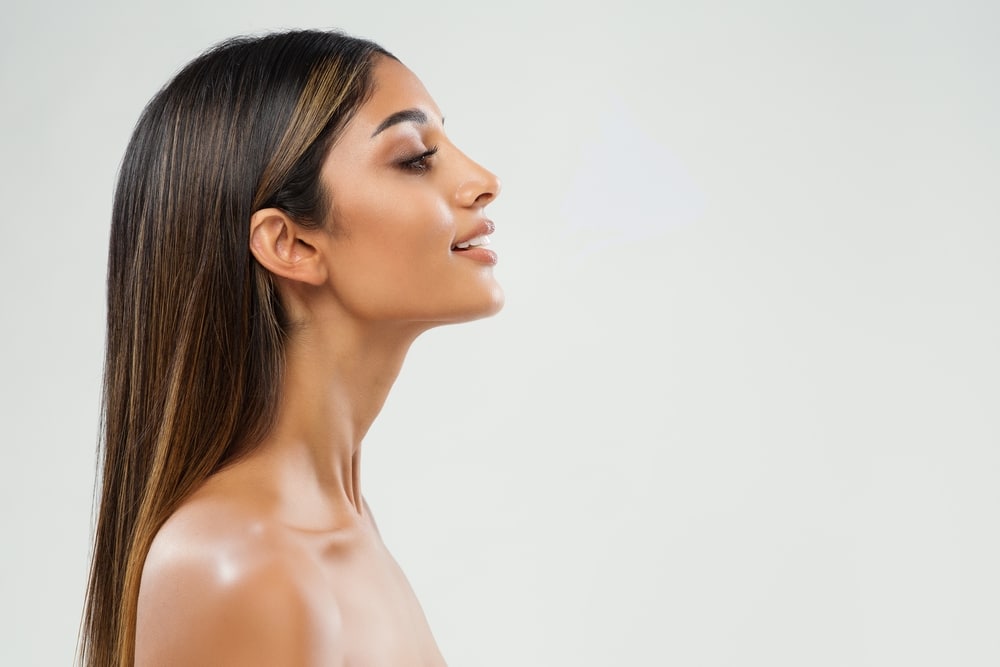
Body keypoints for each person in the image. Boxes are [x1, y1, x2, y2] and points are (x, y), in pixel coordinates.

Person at [80, 29, 502, 666]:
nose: (483, 180)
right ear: (291, 244)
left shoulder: (342, 527)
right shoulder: (244, 568)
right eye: (416, 157)